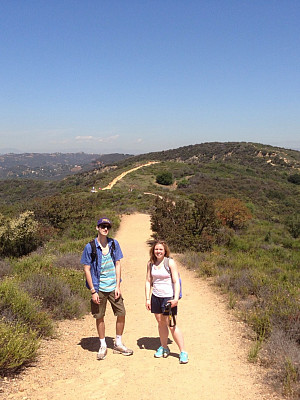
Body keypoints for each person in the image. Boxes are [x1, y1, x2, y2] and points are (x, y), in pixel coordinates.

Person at [81, 217, 133, 360]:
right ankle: (103, 345)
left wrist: (118, 285)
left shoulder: (114, 244)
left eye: (107, 227)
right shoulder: (90, 247)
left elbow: (118, 264)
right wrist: (93, 291)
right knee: (100, 316)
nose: (105, 229)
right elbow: (87, 269)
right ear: (97, 228)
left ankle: (118, 343)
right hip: (99, 288)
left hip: (113, 287)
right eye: (102, 226)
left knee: (121, 313)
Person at [145, 240, 189, 364]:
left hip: (168, 298)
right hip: (156, 297)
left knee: (171, 324)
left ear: (165, 251)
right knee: (160, 323)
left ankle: (183, 352)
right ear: (153, 251)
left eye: (161, 249)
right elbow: (148, 281)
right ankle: (164, 347)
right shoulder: (150, 264)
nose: (158, 251)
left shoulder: (170, 262)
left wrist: (175, 298)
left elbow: (176, 281)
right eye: (156, 249)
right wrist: (148, 298)